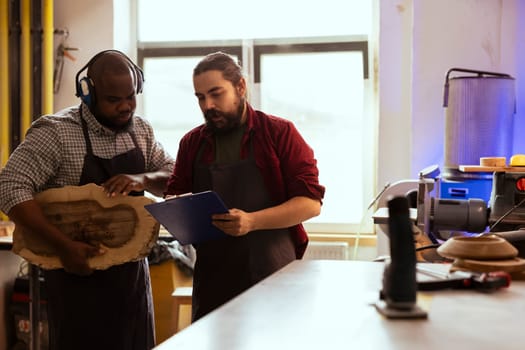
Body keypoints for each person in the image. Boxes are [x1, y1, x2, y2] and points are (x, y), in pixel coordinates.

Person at [0, 50, 175, 350]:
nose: (125, 107)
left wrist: (143, 179)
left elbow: (173, 175)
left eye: (131, 96)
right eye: (113, 100)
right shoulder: (55, 133)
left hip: (132, 280)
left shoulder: (141, 131)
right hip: (76, 277)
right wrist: (62, 246)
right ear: (88, 94)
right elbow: (10, 187)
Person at [165, 51, 325, 321]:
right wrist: (177, 209)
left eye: (216, 94)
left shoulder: (279, 133)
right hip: (214, 278)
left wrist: (251, 221)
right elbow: (175, 193)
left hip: (272, 272)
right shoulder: (192, 143)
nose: (208, 105)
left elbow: (310, 204)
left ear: (241, 87)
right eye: (201, 98)